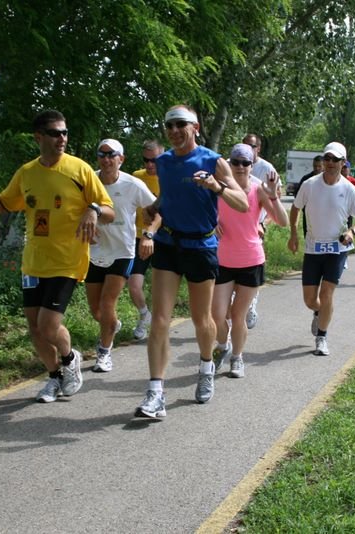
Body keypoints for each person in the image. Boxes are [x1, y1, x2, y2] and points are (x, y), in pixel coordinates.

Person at [0, 110, 115, 403]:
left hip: (67, 261)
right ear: (39, 137)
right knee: (34, 329)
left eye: (65, 133)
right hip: (33, 262)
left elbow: (109, 210)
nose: (62, 139)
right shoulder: (27, 172)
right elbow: (3, 204)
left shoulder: (80, 170)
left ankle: (70, 358)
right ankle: (54, 377)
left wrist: (92, 210)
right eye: (56, 133)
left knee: (48, 325)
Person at [134, 105, 249, 419]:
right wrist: (152, 212)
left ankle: (206, 365)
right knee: (160, 319)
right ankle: (156, 392)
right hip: (169, 243)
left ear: (195, 127)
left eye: (180, 124)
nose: (173, 131)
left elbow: (240, 202)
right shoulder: (164, 162)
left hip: (201, 246)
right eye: (169, 125)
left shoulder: (214, 161)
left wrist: (216, 186)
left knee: (203, 320)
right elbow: (167, 200)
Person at [210, 144, 288, 379]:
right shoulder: (218, 188)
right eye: (236, 162)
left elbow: (282, 221)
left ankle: (237, 358)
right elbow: (204, 213)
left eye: (246, 163)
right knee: (217, 315)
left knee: (238, 315)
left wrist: (273, 195)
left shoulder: (258, 189)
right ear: (229, 164)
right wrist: (212, 224)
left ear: (252, 165)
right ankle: (223, 346)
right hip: (222, 259)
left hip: (251, 260)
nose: (241, 167)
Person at [86, 139, 160, 373]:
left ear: (121, 159)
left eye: (112, 155)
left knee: (108, 302)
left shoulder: (133, 184)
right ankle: (112, 325)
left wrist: (148, 235)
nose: (106, 159)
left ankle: (104, 353)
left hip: (122, 251)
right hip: (94, 250)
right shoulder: (88, 182)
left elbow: (158, 212)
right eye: (102, 154)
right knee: (96, 310)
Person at [288, 141, 355, 357]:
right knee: (310, 299)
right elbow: (295, 209)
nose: (330, 163)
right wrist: (293, 234)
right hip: (313, 248)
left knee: (327, 293)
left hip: (337, 249)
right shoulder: (310, 185)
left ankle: (322, 337)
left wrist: (352, 232)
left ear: (343, 163)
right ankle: (318, 312)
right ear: (323, 161)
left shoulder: (349, 189)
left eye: (335, 160)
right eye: (327, 159)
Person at [241, 133, 280, 330]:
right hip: (235, 226)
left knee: (252, 269)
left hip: (257, 227)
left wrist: (264, 224)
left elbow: (276, 200)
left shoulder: (267, 169)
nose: (248, 149)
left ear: (259, 149)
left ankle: (251, 305)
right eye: (245, 145)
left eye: (252, 146)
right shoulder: (234, 163)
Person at [129, 139, 164, 340]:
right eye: (146, 160)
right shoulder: (136, 178)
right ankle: (144, 315)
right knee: (134, 285)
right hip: (138, 237)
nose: (149, 165)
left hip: (164, 238)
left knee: (161, 287)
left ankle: (160, 324)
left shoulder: (169, 178)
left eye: (154, 160)